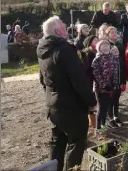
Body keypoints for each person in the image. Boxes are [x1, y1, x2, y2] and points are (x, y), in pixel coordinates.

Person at [37, 16, 96, 171]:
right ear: (57, 31)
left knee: (58, 140)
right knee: (76, 142)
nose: (66, 28)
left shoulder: (43, 49)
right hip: (71, 106)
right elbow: (78, 79)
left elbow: (42, 79)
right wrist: (91, 100)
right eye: (63, 26)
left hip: (53, 104)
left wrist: (52, 96)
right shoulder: (64, 49)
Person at [91, 39, 120, 134]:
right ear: (99, 48)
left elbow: (116, 72)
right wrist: (104, 85)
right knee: (101, 107)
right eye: (103, 46)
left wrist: (115, 84)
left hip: (111, 87)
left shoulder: (113, 58)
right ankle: (98, 128)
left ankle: (104, 125)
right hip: (100, 88)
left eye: (107, 45)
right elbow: (96, 74)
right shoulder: (97, 59)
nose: (106, 47)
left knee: (107, 106)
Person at [105, 26, 126, 127]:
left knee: (117, 98)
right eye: (111, 32)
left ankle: (116, 116)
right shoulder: (106, 45)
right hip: (110, 79)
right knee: (110, 99)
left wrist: (123, 81)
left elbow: (122, 62)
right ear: (107, 34)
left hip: (119, 77)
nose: (114, 34)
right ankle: (110, 118)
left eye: (115, 32)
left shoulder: (119, 44)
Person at [77, 35, 99, 128]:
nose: (97, 41)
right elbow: (85, 67)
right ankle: (92, 122)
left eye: (98, 39)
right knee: (91, 99)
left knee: (96, 99)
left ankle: (96, 120)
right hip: (88, 80)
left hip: (96, 79)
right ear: (89, 42)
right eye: (95, 40)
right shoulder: (86, 53)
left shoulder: (98, 51)